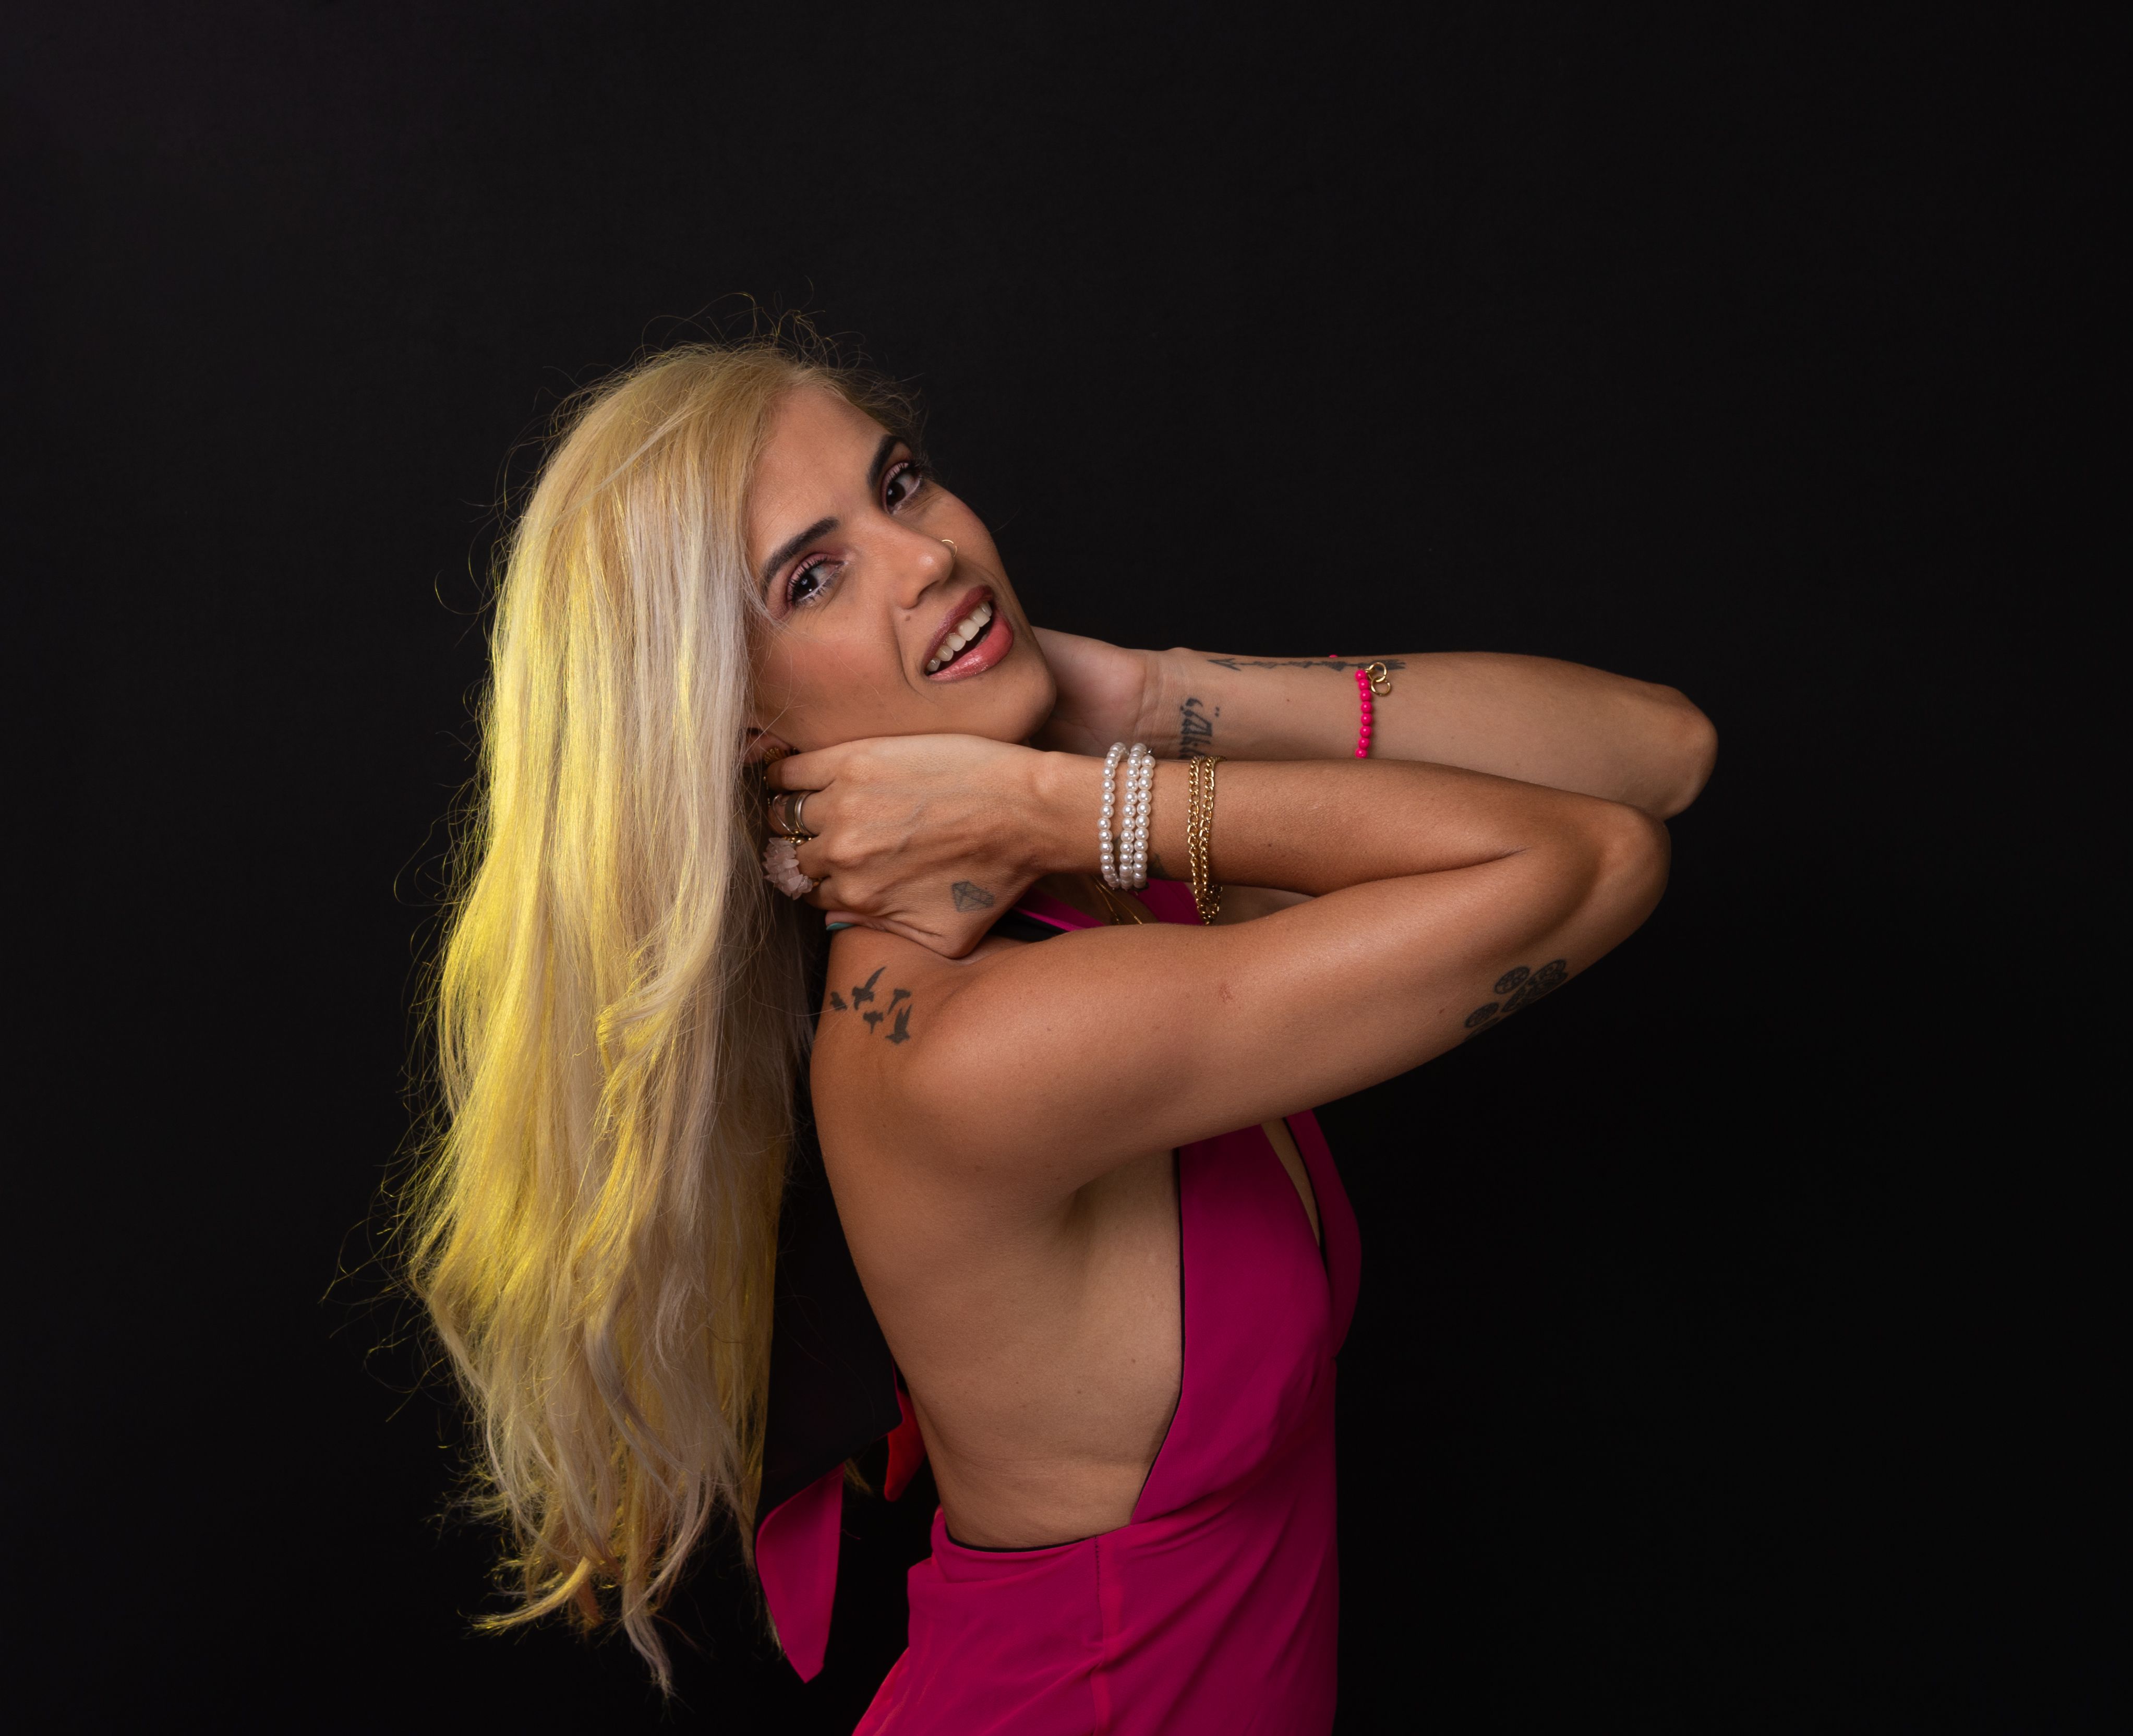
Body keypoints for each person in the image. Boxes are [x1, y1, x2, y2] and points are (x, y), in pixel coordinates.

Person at [407, 333, 1713, 1732]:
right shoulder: (963, 1047)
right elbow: (1589, 865)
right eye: (813, 574)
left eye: (900, 486)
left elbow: (1655, 753)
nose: (928, 558)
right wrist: (1073, 800)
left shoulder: (1075, 889)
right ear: (732, 718)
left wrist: (1136, 701)